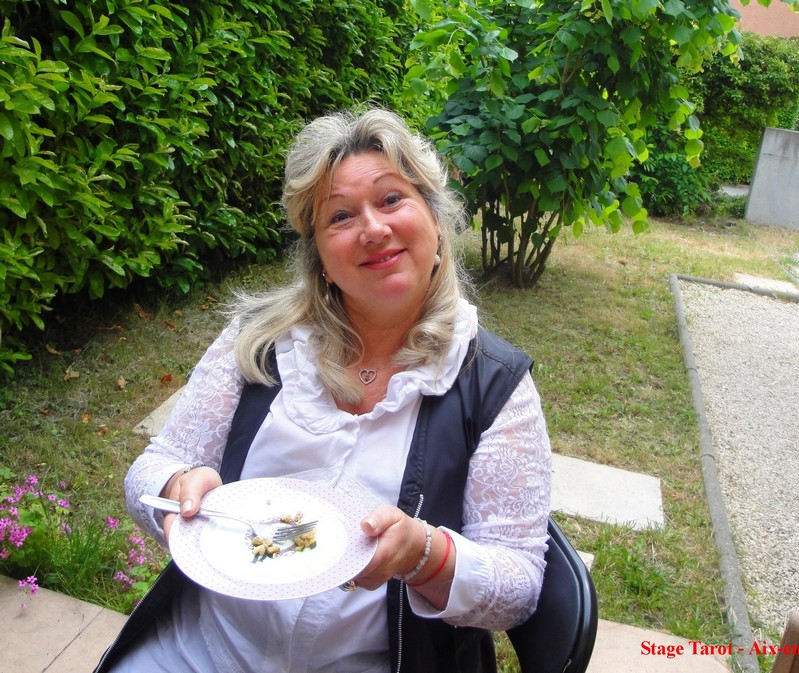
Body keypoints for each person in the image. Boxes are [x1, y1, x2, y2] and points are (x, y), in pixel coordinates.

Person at [96, 108, 552, 673]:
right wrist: (177, 487)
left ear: (436, 221)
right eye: (340, 216)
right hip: (200, 651)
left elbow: (519, 587)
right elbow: (151, 468)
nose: (373, 229)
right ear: (322, 260)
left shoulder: (494, 385)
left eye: (391, 199)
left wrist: (426, 555)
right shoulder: (261, 342)